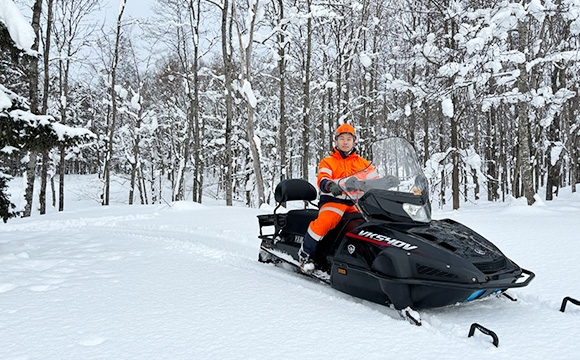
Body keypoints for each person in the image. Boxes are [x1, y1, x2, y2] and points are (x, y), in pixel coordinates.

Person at [298, 123, 376, 273]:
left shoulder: (362, 163)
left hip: (357, 203)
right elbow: (322, 178)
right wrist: (329, 185)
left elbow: (374, 179)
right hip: (334, 201)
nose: (345, 142)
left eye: (349, 139)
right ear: (336, 141)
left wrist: (388, 180)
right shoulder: (329, 161)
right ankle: (305, 255)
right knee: (324, 222)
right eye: (342, 139)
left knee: (373, 225)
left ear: (354, 141)